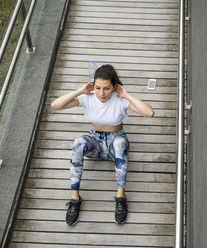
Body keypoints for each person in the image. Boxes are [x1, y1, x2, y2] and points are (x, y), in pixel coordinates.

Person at [51, 64, 154, 225]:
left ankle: (121, 196)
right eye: (98, 88)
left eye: (106, 88)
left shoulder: (120, 100)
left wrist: (126, 94)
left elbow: (149, 113)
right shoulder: (88, 97)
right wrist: (80, 91)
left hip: (115, 144)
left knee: (120, 143)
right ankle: (74, 198)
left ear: (114, 87)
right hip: (96, 144)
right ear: (93, 86)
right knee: (78, 143)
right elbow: (55, 105)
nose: (101, 93)